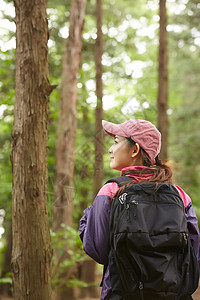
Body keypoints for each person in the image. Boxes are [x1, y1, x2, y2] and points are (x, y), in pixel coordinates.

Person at [79, 119, 200, 300]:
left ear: (135, 150)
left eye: (116, 142)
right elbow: (194, 252)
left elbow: (98, 250)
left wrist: (87, 218)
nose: (111, 149)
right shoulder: (179, 195)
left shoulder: (111, 191)